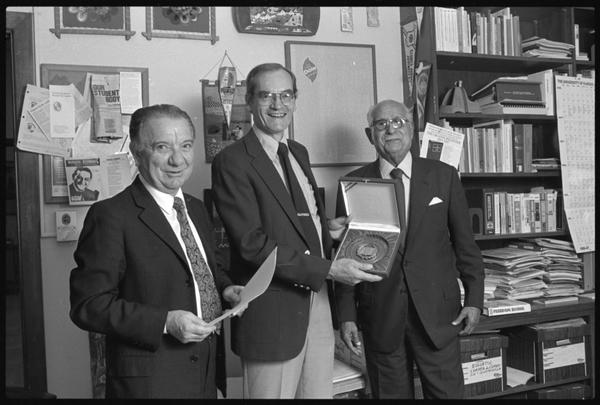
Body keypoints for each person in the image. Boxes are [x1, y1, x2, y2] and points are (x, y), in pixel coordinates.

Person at [211, 63, 382, 399]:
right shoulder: (232, 161)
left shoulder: (298, 152)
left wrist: (326, 230)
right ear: (249, 100)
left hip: (318, 304)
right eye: (267, 95)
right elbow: (251, 243)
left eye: (286, 95)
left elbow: (292, 218)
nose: (278, 104)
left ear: (295, 99)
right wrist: (329, 269)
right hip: (272, 312)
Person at [70, 104, 245, 398]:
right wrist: (164, 322)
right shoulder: (111, 216)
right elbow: (88, 305)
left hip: (204, 376)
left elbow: (204, 268)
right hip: (150, 385)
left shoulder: (196, 209)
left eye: (186, 145)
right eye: (162, 147)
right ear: (137, 152)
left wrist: (226, 289)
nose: (178, 159)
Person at [335, 99, 484, 399]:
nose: (390, 130)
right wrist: (346, 316)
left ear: (411, 128)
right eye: (381, 124)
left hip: (438, 316)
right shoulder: (353, 184)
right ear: (369, 134)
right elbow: (346, 258)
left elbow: (466, 245)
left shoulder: (443, 175)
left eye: (398, 122)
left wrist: (474, 299)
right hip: (381, 317)